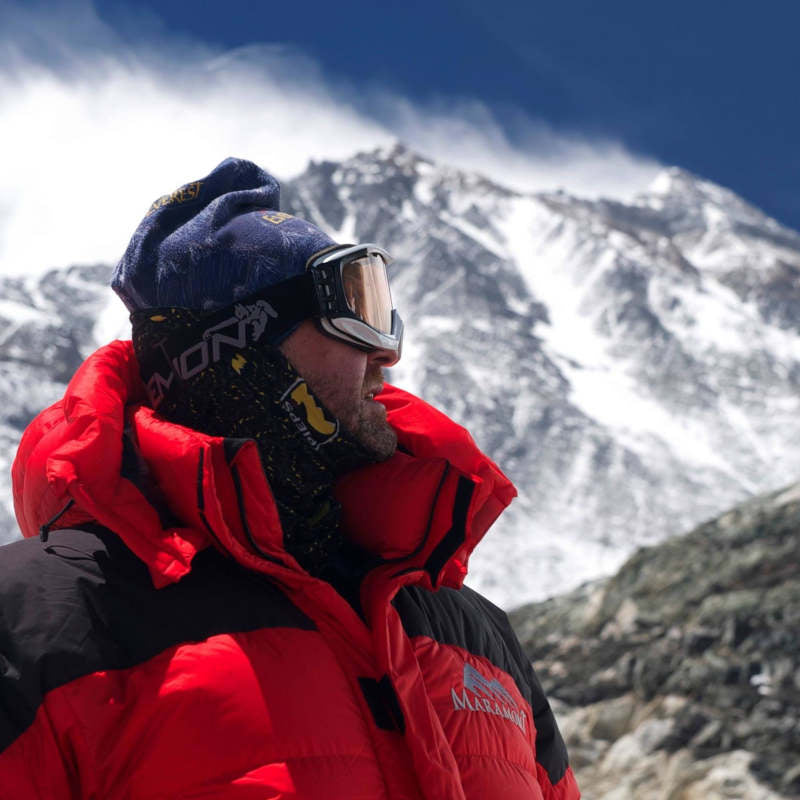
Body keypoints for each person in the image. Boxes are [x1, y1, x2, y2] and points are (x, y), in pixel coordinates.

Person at [0, 158, 580, 799]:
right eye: (350, 309)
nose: (385, 352)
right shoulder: (38, 624)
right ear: (234, 347)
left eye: (381, 307)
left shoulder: (477, 633)